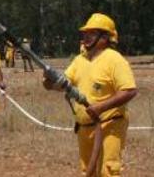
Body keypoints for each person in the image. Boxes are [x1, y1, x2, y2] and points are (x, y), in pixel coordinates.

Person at [43, 13, 137, 176]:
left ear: (105, 37)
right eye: (85, 33)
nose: (86, 37)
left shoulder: (114, 60)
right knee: (88, 170)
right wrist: (49, 82)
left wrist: (101, 107)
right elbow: (64, 84)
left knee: (108, 171)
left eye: (92, 33)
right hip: (84, 128)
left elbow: (129, 90)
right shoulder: (80, 60)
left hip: (109, 124)